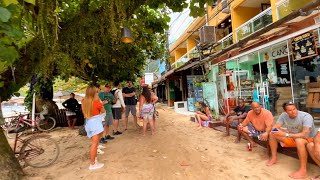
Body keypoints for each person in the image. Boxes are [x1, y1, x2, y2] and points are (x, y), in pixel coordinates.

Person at [266, 102, 317, 179]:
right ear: (285, 112)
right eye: (290, 110)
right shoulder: (283, 116)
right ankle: (274, 158)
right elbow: (275, 127)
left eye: (294, 109)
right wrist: (277, 130)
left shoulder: (306, 116)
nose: (293, 112)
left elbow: (305, 134)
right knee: (272, 134)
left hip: (308, 139)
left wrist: (286, 134)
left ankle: (303, 171)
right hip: (293, 137)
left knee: (299, 140)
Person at [82, 85, 106, 170]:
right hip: (96, 123)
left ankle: (95, 161)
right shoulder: (96, 102)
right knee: (95, 144)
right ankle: (92, 164)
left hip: (88, 122)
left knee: (94, 143)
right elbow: (103, 110)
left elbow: (84, 113)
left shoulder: (83, 101)